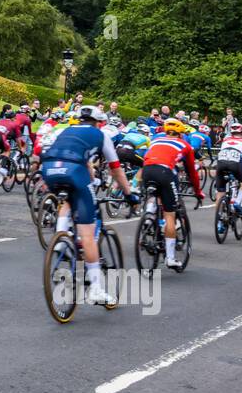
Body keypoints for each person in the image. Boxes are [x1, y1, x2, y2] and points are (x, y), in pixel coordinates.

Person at [38, 104, 141, 306]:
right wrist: (128, 194)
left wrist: (91, 178)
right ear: (99, 122)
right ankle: (96, 289)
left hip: (49, 169)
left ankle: (61, 237)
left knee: (69, 198)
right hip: (74, 172)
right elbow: (116, 170)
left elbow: (82, 161)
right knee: (88, 232)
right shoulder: (101, 135)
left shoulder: (67, 129)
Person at [141, 119, 203, 270]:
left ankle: (149, 215)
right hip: (165, 172)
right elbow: (192, 173)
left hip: (147, 170)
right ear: (181, 134)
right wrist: (198, 192)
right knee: (170, 214)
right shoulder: (185, 145)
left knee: (153, 194)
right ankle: (170, 258)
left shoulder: (156, 139)